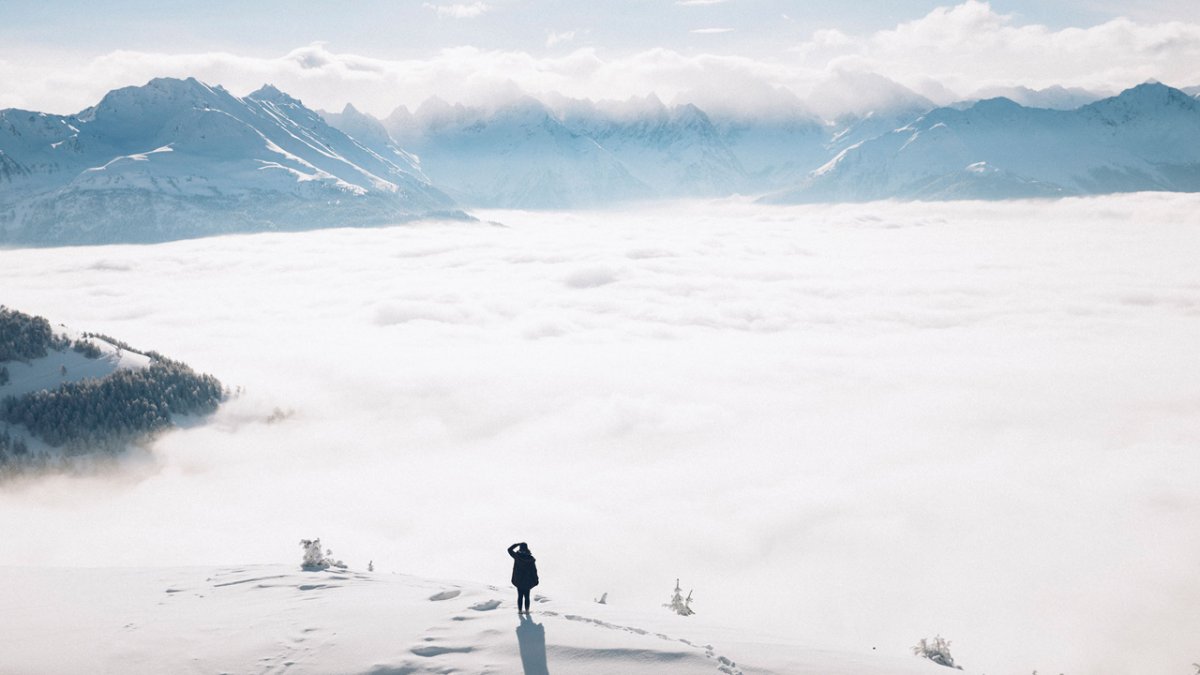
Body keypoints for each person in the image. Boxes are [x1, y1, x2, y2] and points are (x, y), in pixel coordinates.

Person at [508, 541, 539, 613]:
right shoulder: (530, 559)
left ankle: (520, 611)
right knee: (527, 596)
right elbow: (534, 571)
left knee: (520, 596)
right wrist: (536, 580)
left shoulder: (517, 557)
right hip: (528, 581)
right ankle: (527, 611)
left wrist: (517, 544)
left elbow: (509, 550)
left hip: (519, 580)